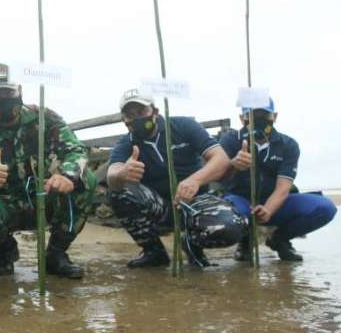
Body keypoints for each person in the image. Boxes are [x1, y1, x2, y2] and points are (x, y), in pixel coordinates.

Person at [0, 63, 96, 278]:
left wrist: (67, 175)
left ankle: (55, 254)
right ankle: (4, 249)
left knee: (87, 180)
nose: (3, 99)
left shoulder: (45, 118)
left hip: (45, 196)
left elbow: (75, 149)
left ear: (19, 90)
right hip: (4, 206)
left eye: (7, 92)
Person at [106, 89, 247, 268]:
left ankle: (191, 244)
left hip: (194, 204)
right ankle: (153, 251)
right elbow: (112, 175)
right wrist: (122, 173)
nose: (137, 119)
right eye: (130, 115)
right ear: (124, 120)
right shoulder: (126, 144)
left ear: (155, 112)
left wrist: (195, 180)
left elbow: (220, 159)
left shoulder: (184, 126)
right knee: (118, 192)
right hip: (159, 208)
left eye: (141, 112)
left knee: (230, 226)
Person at [219, 98, 337, 261]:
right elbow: (218, 177)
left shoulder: (288, 145)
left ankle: (280, 239)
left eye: (264, 114)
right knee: (226, 215)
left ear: (274, 116)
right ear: (242, 118)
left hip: (276, 202)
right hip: (240, 201)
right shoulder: (230, 140)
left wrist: (268, 209)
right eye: (252, 115)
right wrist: (233, 165)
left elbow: (284, 187)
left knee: (325, 208)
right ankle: (245, 240)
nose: (258, 119)